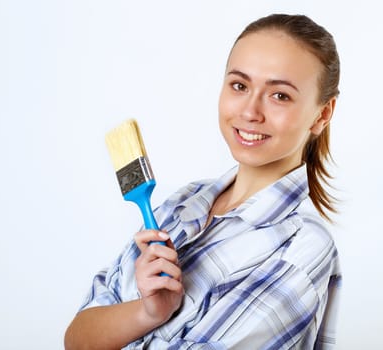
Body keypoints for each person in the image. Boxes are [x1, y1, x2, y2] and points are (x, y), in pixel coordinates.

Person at [65, 13, 342, 350]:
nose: (251, 112)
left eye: (279, 95)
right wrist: (147, 313)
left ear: (322, 114)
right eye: (239, 86)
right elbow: (78, 337)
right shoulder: (182, 204)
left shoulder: (302, 247)